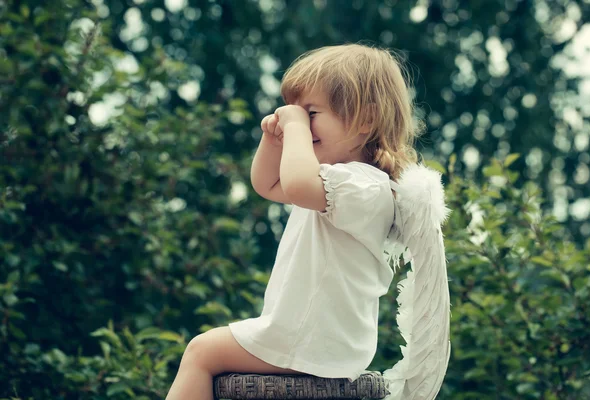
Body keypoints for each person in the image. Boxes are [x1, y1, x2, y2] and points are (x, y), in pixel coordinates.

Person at [165, 43, 451, 400]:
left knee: (200, 352)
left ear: (365, 120)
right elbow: (268, 185)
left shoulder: (363, 185)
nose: (297, 119)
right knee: (205, 351)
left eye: (312, 111)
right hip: (315, 338)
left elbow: (297, 185)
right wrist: (273, 140)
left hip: (312, 338)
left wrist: (296, 130)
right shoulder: (334, 182)